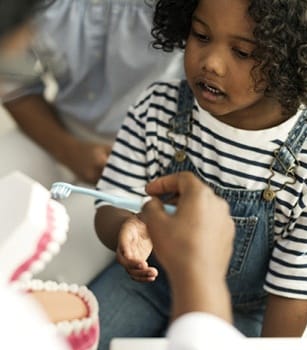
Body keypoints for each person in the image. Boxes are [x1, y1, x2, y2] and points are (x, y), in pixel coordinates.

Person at [91, 0, 307, 347]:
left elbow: (293, 295)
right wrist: (126, 227)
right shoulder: (158, 109)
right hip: (148, 285)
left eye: (242, 52)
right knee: (72, 338)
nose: (211, 63)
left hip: (238, 314)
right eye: (201, 35)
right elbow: (108, 205)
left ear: (292, 60)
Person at [0, 0, 184, 285]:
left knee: (55, 272)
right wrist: (68, 149)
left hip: (146, 160)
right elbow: (13, 80)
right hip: (56, 131)